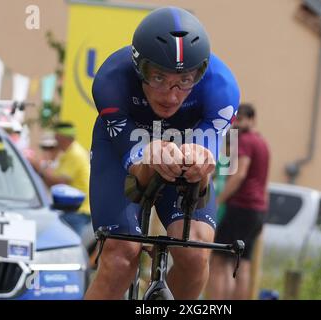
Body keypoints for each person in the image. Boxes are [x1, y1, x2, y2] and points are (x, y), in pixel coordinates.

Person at [85, 6, 239, 300]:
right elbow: (137, 176)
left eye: (184, 81)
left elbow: (204, 180)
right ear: (138, 66)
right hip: (122, 151)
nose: (171, 95)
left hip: (183, 147)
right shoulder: (110, 81)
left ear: (201, 72)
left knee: (194, 253)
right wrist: (148, 157)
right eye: (158, 78)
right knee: (121, 255)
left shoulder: (223, 89)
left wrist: (201, 167)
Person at [206, 103, 270, 300]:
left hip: (240, 208)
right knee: (242, 265)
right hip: (257, 211)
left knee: (219, 262)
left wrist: (218, 200)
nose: (237, 124)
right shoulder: (261, 142)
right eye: (236, 119)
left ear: (252, 120)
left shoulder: (244, 141)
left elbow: (240, 173)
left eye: (242, 119)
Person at [28, 122, 91, 237]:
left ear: (62, 137)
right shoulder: (67, 154)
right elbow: (53, 185)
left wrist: (38, 168)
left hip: (77, 211)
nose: (55, 140)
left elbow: (59, 183)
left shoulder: (75, 154)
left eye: (56, 136)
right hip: (69, 209)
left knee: (66, 247)